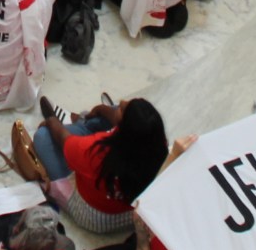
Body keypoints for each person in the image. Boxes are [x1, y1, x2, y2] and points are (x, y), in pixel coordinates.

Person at [31, 96, 167, 235]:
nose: (122, 101)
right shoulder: (158, 145)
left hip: (91, 215)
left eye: (123, 108)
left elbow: (63, 140)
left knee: (43, 137)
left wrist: (52, 122)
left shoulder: (97, 153)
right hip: (129, 213)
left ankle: (78, 124)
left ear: (122, 129)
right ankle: (83, 123)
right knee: (109, 112)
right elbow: (124, 123)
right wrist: (104, 109)